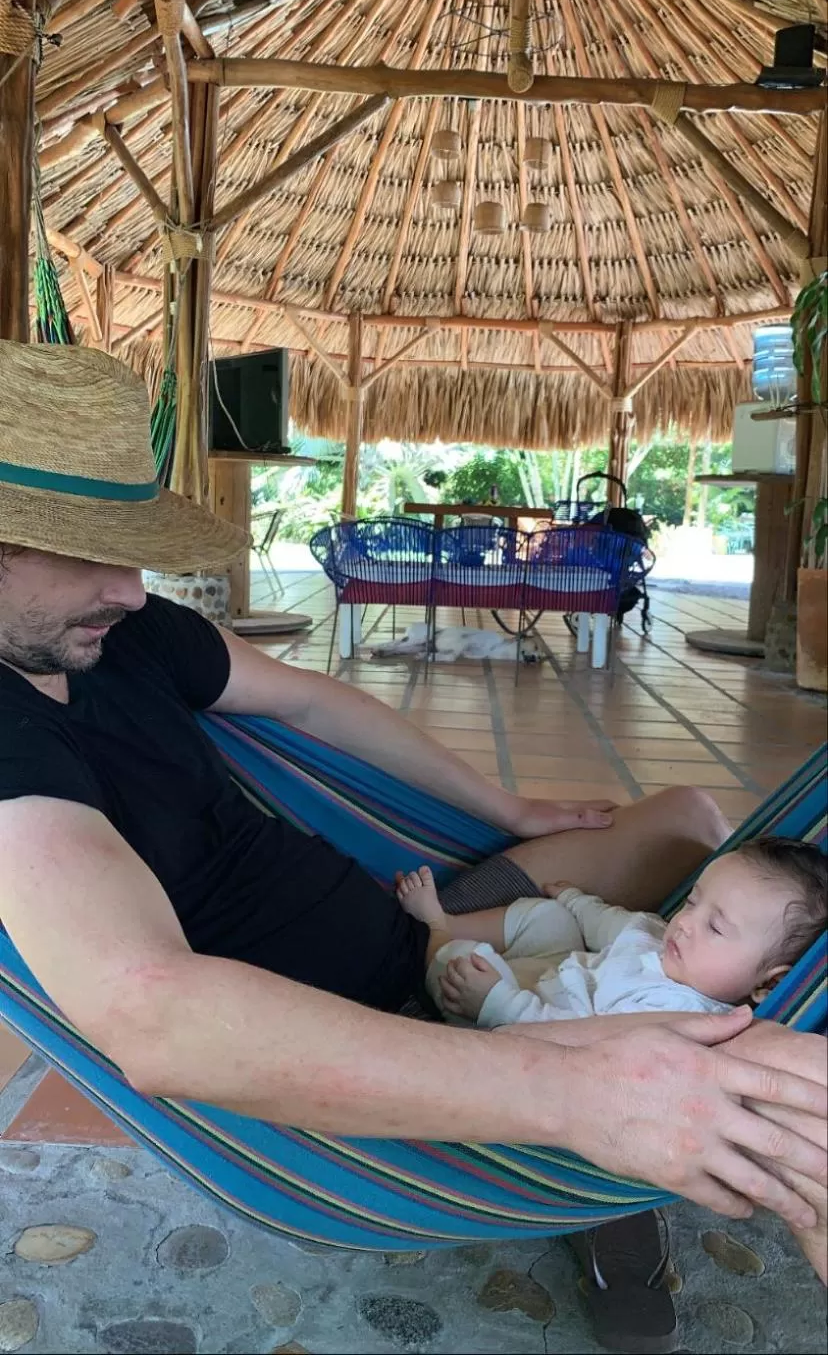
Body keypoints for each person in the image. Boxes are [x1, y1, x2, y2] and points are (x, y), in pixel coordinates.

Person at [0, 343, 826, 1346]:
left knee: (688, 821)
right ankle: (611, 1171)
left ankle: (632, 1105)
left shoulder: (130, 637)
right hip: (364, 1040)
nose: (131, 588)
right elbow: (153, 1014)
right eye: (89, 553)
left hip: (419, 915)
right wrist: (583, 1095)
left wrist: (509, 806)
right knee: (766, 1070)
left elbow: (310, 695)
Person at [395, 839, 827, 1026]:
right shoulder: (665, 940)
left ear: (769, 983)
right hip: (556, 975)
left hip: (525, 1024)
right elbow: (607, 921)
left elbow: (571, 1049)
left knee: (465, 962)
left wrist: (498, 1005)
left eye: (715, 927)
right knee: (549, 918)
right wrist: (573, 901)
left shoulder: (676, 1016)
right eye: (693, 901)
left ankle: (433, 930)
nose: (687, 922)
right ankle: (447, 923)